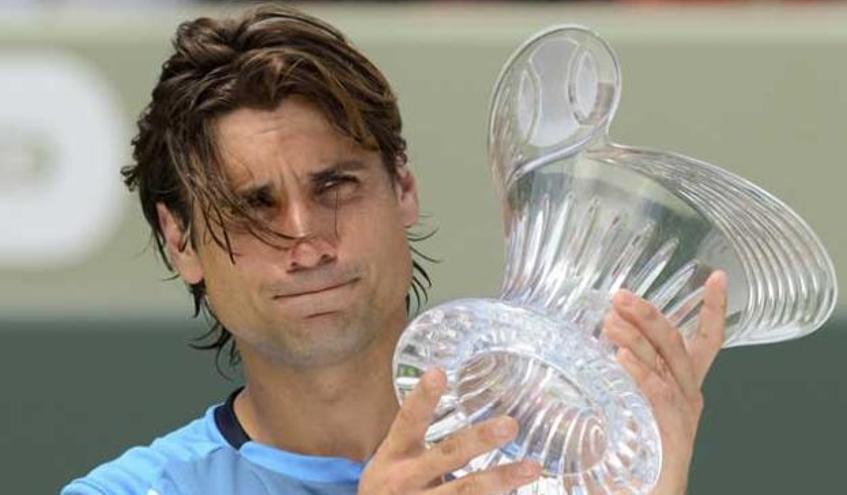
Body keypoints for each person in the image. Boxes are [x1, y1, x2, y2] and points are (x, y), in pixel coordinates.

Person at [62, 4, 727, 495]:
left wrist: (653, 484)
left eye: (336, 185)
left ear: (402, 187)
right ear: (182, 241)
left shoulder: (559, 462)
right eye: (253, 206)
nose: (306, 238)